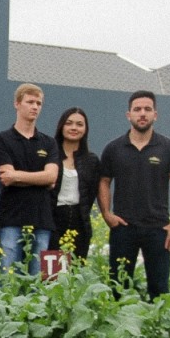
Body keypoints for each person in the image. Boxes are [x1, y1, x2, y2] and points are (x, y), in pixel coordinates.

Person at [99, 90, 170, 300]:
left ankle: (158, 329)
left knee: (159, 289)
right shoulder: (114, 148)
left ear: (155, 114)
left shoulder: (168, 147)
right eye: (137, 109)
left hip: (158, 228)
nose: (142, 113)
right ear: (128, 114)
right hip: (123, 228)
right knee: (118, 288)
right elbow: (103, 181)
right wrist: (106, 214)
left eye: (147, 109)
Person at [0, 83, 60, 275]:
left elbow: (52, 176)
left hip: (42, 221)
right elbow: (6, 178)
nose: (35, 107)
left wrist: (18, 176)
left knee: (39, 285)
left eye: (39, 103)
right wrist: (41, 179)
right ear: (17, 104)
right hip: (11, 221)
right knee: (7, 281)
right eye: (30, 102)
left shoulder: (49, 142)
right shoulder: (1, 139)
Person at [48, 107, 100, 259]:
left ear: (85, 129)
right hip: (53, 220)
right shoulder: (50, 154)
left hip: (80, 220)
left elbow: (91, 193)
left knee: (76, 271)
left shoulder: (91, 160)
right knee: (52, 275)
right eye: (69, 123)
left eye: (79, 124)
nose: (74, 128)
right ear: (61, 126)